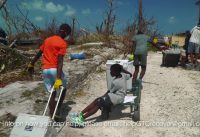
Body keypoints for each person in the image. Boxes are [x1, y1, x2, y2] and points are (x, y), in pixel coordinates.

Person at [27, 23, 71, 120]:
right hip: (55, 70)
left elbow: (39, 53)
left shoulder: (47, 40)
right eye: (68, 34)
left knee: (52, 93)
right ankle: (58, 109)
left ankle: (52, 116)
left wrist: (31, 63)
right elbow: (60, 62)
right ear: (65, 32)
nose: (67, 36)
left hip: (45, 70)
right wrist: (59, 78)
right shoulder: (62, 43)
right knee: (63, 88)